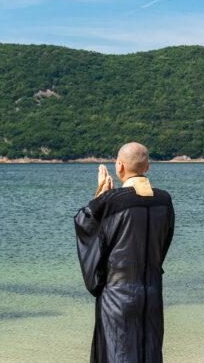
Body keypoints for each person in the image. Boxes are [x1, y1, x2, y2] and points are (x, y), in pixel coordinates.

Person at [74, 142, 175, 363]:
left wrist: (101, 194)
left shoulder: (110, 202)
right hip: (152, 290)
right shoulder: (165, 201)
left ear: (119, 166)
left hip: (118, 295)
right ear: (148, 167)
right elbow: (163, 243)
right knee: (149, 350)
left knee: (118, 352)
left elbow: (85, 223)